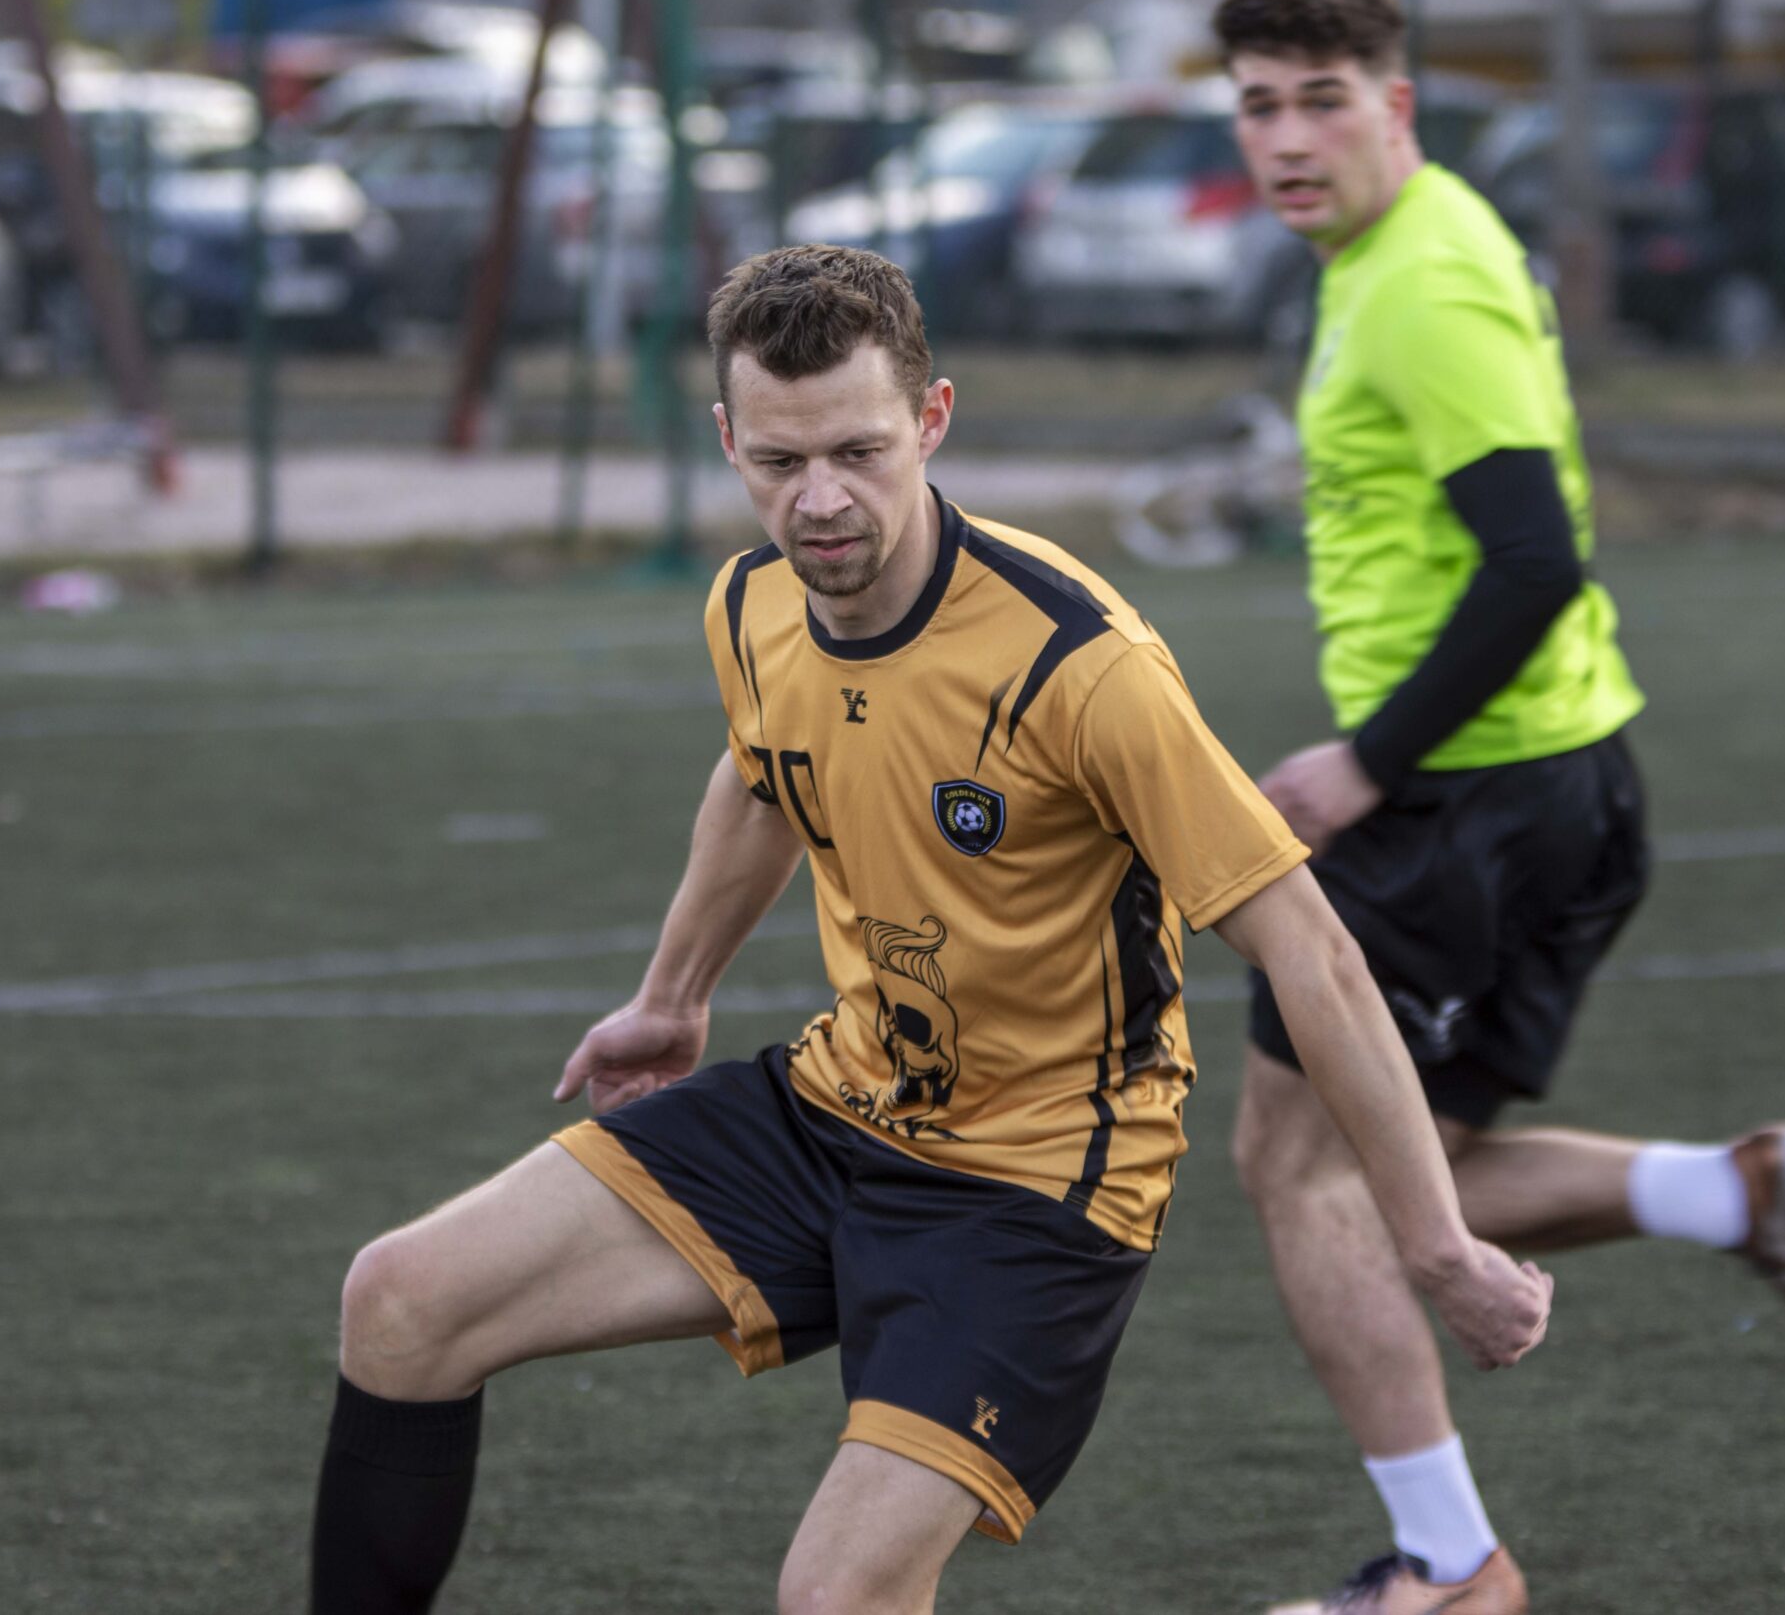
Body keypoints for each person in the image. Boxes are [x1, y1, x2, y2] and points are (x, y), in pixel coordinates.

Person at [304, 244, 1552, 1615]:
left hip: (1035, 1187)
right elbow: (764, 773)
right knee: (402, 1301)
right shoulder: (753, 604)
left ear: (933, 420)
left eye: (860, 451)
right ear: (726, 440)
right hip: (838, 1109)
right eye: (779, 462)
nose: (820, 500)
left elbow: (1314, 953)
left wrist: (1437, 1243)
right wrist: (673, 995)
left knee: (837, 1598)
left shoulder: (1079, 663)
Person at [1213, 0, 1785, 1615]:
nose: (1287, 138)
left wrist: (1364, 765)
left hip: (1463, 809)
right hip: (1557, 783)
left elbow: (1533, 560)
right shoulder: (1407, 243)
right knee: (1399, 1174)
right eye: (1259, 107)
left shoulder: (1423, 282)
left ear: (1396, 104)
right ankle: (1731, 1190)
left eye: (1321, 101)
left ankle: (1451, 1570)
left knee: (1302, 1172)